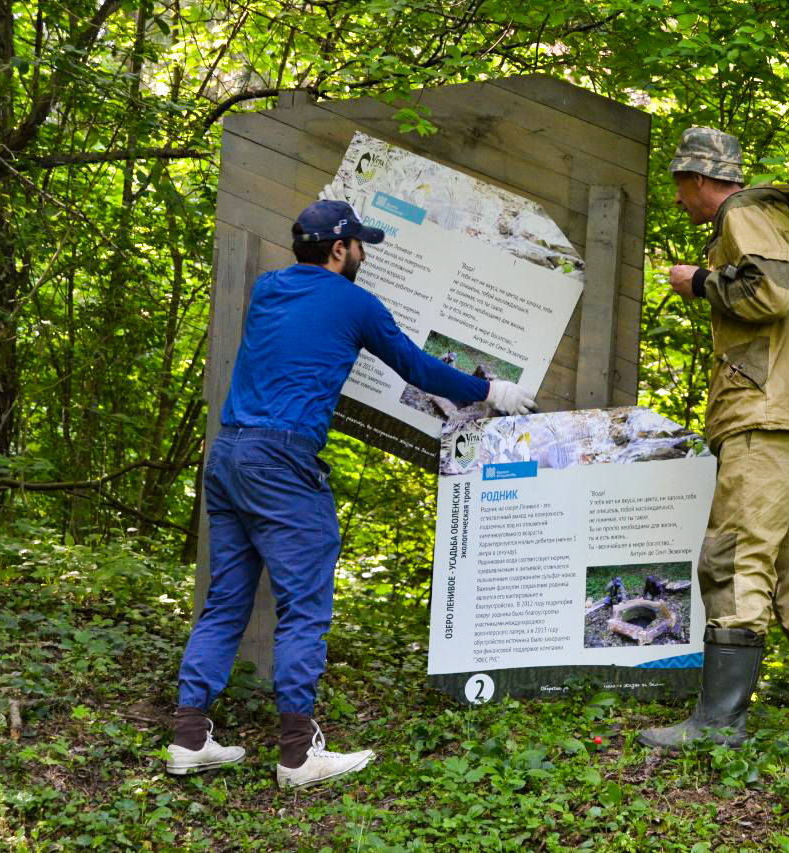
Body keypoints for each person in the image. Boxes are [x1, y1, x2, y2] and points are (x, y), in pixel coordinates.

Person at [166, 200, 536, 786]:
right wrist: (491, 391)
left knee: (226, 600)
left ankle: (188, 738)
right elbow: (416, 368)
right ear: (339, 249)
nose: (364, 254)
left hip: (229, 454)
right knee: (303, 608)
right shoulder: (354, 302)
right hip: (283, 462)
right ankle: (296, 754)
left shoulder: (268, 289)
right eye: (360, 244)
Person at [639, 127, 789, 750]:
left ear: (703, 180)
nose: (680, 201)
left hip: (766, 412)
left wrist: (698, 282)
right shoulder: (774, 219)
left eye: (682, 187)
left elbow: (771, 293)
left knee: (734, 555)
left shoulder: (744, 215)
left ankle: (718, 723)